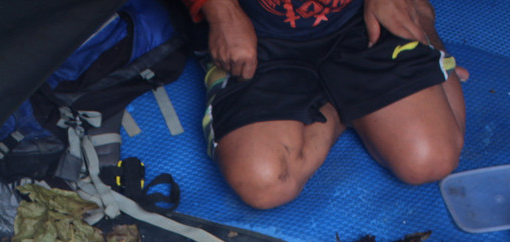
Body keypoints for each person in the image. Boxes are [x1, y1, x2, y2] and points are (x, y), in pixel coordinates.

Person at [184, 0, 466, 209]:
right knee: (263, 184)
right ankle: (340, 103)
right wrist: (220, 12)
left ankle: (419, 21)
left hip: (362, 19)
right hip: (254, 33)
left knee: (430, 160)